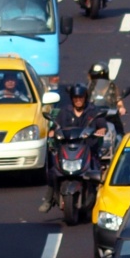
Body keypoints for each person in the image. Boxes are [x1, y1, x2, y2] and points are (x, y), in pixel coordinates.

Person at [39, 81, 98, 214]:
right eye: (76, 98)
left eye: (81, 98)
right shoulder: (64, 112)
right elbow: (55, 127)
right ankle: (49, 199)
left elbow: (102, 125)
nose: (78, 101)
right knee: (53, 171)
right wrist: (53, 132)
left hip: (87, 148)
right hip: (66, 148)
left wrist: (101, 130)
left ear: (85, 98)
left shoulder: (92, 111)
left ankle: (99, 200)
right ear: (72, 99)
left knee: (97, 173)